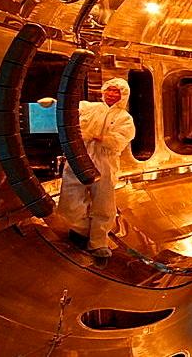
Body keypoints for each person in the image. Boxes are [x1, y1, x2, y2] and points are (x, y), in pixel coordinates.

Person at [58, 78, 135, 258]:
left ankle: (98, 242)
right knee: (71, 195)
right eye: (110, 90)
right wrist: (53, 104)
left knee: (103, 202)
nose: (112, 94)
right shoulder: (88, 107)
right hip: (79, 155)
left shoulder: (125, 118)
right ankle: (80, 231)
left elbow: (120, 140)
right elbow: (66, 111)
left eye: (117, 92)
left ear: (123, 95)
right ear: (103, 91)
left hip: (105, 162)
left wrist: (101, 138)